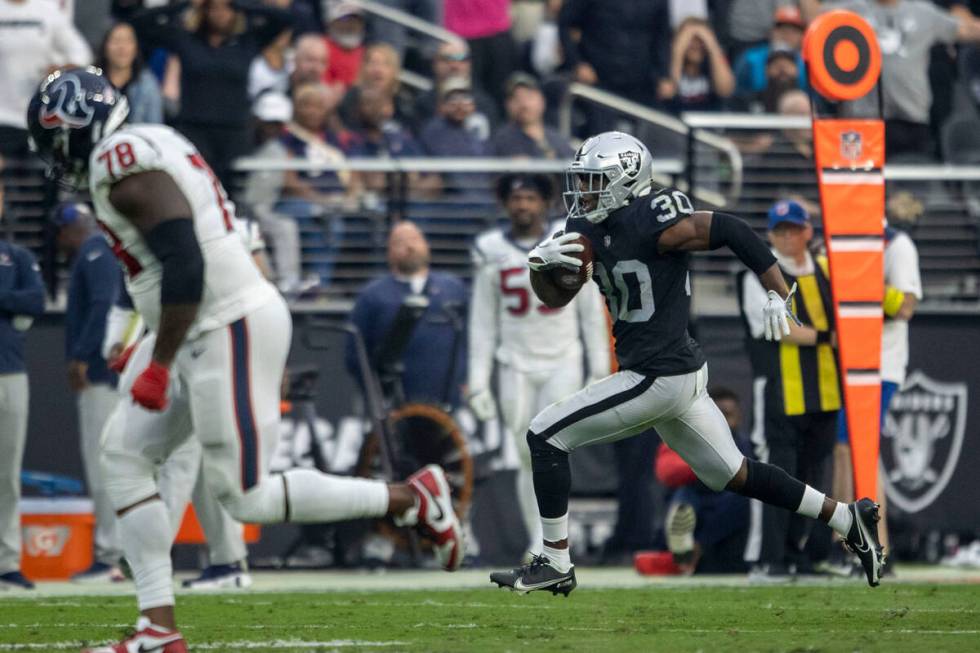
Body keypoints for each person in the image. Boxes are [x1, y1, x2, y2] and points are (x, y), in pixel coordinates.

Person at [27, 67, 463, 651]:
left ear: (77, 126)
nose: (58, 155)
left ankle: (412, 498)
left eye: (56, 139)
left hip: (220, 322)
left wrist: (159, 360)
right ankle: (157, 627)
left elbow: (186, 261)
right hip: (199, 322)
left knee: (244, 494)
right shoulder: (154, 138)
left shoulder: (118, 158)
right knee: (124, 455)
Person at [488, 131, 884, 596]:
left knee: (544, 434)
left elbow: (731, 229)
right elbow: (557, 297)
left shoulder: (652, 216)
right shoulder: (589, 229)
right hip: (675, 373)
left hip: (657, 373)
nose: (584, 192)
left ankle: (555, 562)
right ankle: (847, 516)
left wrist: (778, 288)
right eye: (582, 181)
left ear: (627, 180)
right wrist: (541, 268)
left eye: (595, 181)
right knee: (733, 473)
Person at [468, 173, 609, 558]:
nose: (523, 206)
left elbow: (590, 309)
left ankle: (547, 541)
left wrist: (600, 366)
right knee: (522, 452)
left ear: (544, 203)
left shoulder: (567, 240)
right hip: (513, 362)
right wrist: (477, 380)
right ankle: (540, 537)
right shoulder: (490, 249)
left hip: (563, 357)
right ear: (505, 204)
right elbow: (482, 321)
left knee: (551, 446)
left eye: (530, 198)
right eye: (517, 199)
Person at [738, 200, 842, 579]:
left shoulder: (827, 270)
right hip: (781, 393)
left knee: (817, 476)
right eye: (781, 230)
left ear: (808, 231)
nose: (787, 237)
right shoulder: (755, 276)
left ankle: (807, 554)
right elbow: (781, 329)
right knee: (778, 476)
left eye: (794, 229)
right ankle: (769, 557)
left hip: (826, 390)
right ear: (770, 235)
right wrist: (832, 337)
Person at [835, 192, 923, 569]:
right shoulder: (843, 244)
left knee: (856, 451)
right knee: (846, 452)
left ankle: (867, 548)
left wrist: (864, 279)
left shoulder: (897, 246)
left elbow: (905, 306)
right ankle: (855, 547)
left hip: (880, 363)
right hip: (844, 360)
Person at [130, 0, 293, 191]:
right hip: (194, 129)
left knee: (233, 193)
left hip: (235, 132)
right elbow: (140, 22)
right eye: (213, 7)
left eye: (226, 8)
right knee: (197, 188)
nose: (220, 13)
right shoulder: (186, 40)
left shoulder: (247, 42)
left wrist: (241, 4)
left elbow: (284, 19)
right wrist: (186, 4)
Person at [801, 0, 980, 158]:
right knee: (867, 188)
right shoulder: (851, 9)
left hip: (912, 121)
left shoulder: (924, 13)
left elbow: (968, 29)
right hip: (864, 120)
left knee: (912, 192)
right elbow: (815, 20)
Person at [54, 203, 125, 583]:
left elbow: (103, 304)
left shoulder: (94, 250)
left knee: (103, 468)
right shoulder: (102, 248)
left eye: (62, 234)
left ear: (70, 230)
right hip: (109, 376)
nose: (61, 243)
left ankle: (109, 555)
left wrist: (83, 354)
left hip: (101, 377)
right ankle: (119, 554)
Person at [346, 221, 469, 407]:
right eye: (400, 242)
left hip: (451, 402)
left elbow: (474, 339)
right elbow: (355, 355)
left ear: (426, 244)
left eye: (414, 239)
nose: (409, 246)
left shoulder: (453, 289)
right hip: (394, 406)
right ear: (389, 252)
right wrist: (374, 393)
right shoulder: (372, 296)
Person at [657, 386, 752, 574]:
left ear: (738, 417)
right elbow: (666, 473)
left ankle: (692, 548)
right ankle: (682, 546)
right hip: (697, 505)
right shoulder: (685, 439)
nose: (724, 421)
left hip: (724, 519)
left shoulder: (747, 447)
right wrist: (703, 463)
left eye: (728, 414)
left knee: (744, 498)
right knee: (683, 495)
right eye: (719, 415)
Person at [0, 230, 45, 591]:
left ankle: (6, 561)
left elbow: (34, 301)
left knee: (6, 475)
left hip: (9, 371)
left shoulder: (17, 256)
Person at [0, 0, 91, 160]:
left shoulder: (47, 9)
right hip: (3, 116)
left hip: (40, 115)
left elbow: (81, 53)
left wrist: (61, 70)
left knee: (40, 178)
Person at [412, 40, 499, 135]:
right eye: (447, 59)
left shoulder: (484, 104)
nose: (454, 65)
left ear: (469, 64)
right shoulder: (423, 103)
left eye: (461, 59)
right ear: (435, 64)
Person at [658, 17, 735, 113]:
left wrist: (712, 46)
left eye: (700, 40)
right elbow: (668, 92)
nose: (696, 45)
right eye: (690, 40)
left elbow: (725, 91)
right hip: (677, 123)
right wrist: (678, 50)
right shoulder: (666, 65)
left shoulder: (713, 67)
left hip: (708, 124)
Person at [490, 73, 574, 159]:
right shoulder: (502, 140)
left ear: (542, 100)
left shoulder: (557, 139)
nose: (524, 104)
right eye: (516, 98)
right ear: (507, 105)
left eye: (529, 97)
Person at [96, 22, 163, 124]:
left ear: (136, 48)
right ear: (105, 46)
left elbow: (155, 129)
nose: (122, 47)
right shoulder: (92, 81)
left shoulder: (148, 85)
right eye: (116, 41)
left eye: (128, 41)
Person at [733, 6, 807, 98]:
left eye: (793, 31)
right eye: (781, 29)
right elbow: (736, 92)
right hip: (755, 108)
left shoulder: (808, 61)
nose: (787, 34)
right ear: (771, 32)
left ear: (802, 36)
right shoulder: (750, 58)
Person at [323, 0, 366, 90]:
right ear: (331, 22)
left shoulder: (366, 54)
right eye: (344, 19)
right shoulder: (320, 49)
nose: (350, 24)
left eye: (355, 19)